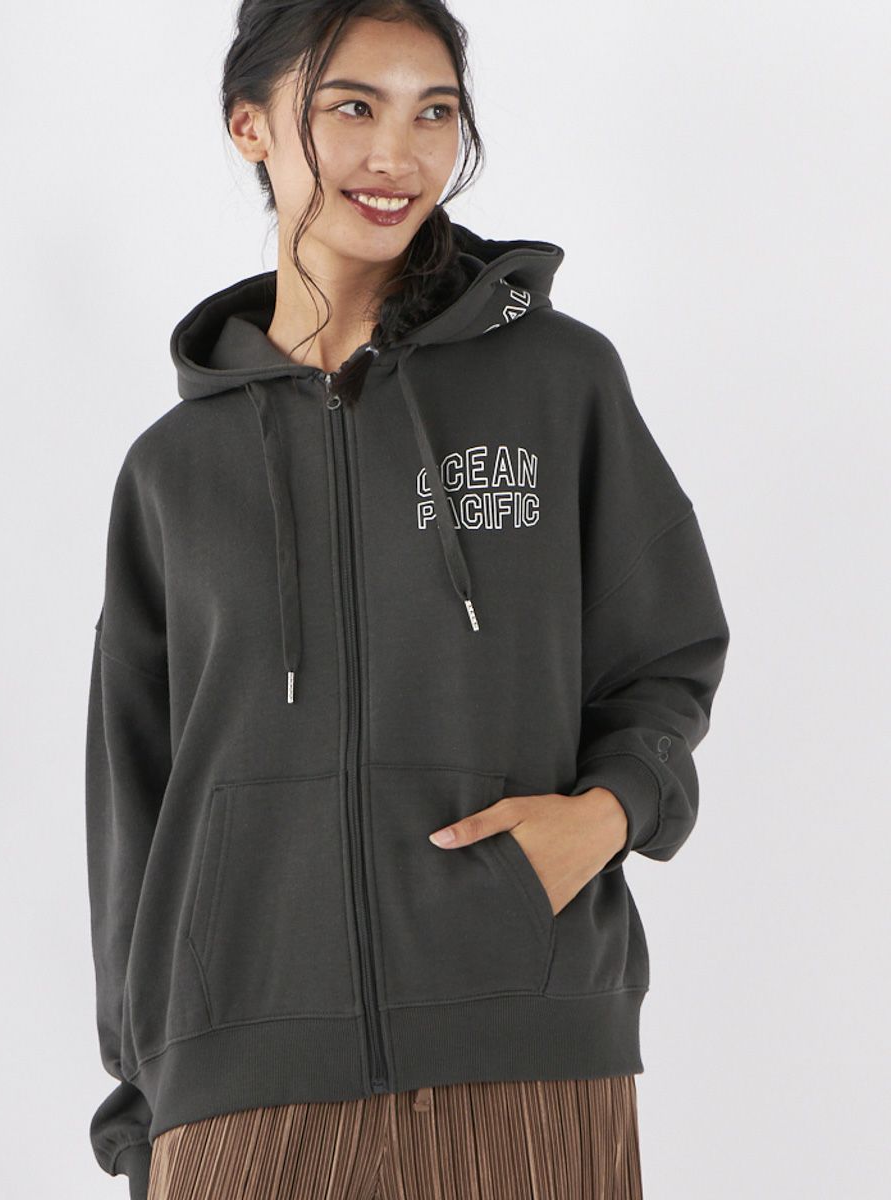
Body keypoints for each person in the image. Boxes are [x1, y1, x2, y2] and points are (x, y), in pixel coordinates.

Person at [84, 2, 730, 1197]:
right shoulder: (173, 470)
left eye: (434, 112)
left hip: (522, 1051)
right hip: (237, 1083)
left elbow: (666, 652)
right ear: (249, 126)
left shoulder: (557, 380)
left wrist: (607, 814)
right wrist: (143, 1109)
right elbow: (135, 798)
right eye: (351, 108)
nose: (398, 155)